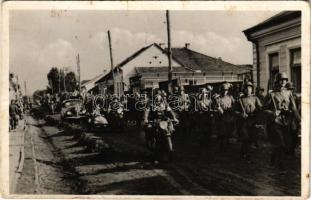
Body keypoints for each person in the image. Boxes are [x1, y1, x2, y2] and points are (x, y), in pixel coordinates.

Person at [264, 72, 300, 174]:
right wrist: (272, 113)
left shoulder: (288, 93)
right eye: (281, 80)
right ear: (277, 81)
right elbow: (264, 109)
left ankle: (272, 158)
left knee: (285, 144)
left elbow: (293, 108)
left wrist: (300, 120)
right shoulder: (271, 94)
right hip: (275, 122)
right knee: (280, 143)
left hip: (286, 122)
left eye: (284, 80)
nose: (283, 82)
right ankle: (281, 166)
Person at [236, 81, 262, 161]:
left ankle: (242, 153)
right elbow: (234, 111)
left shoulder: (255, 98)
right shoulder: (240, 99)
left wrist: (258, 114)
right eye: (246, 88)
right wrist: (240, 114)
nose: (248, 90)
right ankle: (248, 156)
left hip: (252, 120)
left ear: (252, 89)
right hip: (243, 122)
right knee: (245, 137)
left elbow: (261, 108)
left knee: (251, 138)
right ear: (244, 89)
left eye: (250, 88)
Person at [214, 82, 236, 150]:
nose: (225, 92)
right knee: (222, 132)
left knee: (229, 131)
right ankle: (222, 145)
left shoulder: (231, 97)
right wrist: (218, 109)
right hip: (221, 117)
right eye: (223, 90)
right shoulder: (218, 98)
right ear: (221, 90)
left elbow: (235, 105)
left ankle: (227, 142)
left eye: (226, 90)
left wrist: (231, 109)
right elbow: (216, 107)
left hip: (229, 116)